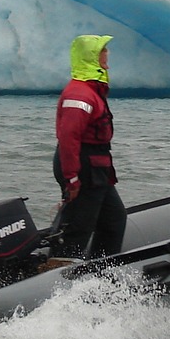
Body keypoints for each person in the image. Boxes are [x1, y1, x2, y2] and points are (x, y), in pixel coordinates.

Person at [51, 34, 126, 259]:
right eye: (103, 50)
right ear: (92, 56)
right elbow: (69, 137)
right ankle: (60, 275)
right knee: (79, 226)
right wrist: (72, 177)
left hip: (97, 167)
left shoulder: (91, 90)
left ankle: (100, 274)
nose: (108, 54)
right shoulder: (79, 93)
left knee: (114, 219)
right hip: (83, 166)